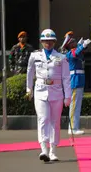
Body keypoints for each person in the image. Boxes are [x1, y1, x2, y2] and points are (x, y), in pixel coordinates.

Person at [26, 29, 71, 162]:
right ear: (41, 42)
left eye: (50, 41)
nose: (48, 43)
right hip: (40, 90)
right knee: (43, 119)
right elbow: (30, 73)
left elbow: (66, 78)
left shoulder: (61, 57)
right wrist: (29, 89)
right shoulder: (35, 56)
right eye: (45, 41)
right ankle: (43, 148)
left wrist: (67, 96)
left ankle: (53, 150)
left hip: (56, 91)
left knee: (55, 121)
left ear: (54, 42)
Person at [62, 34, 91, 135]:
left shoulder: (74, 52)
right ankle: (72, 128)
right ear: (69, 44)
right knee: (74, 105)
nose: (75, 42)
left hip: (79, 80)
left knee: (77, 105)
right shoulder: (71, 53)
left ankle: (75, 126)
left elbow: (80, 52)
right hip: (74, 80)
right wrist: (82, 45)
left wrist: (81, 44)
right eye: (73, 41)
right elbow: (77, 52)